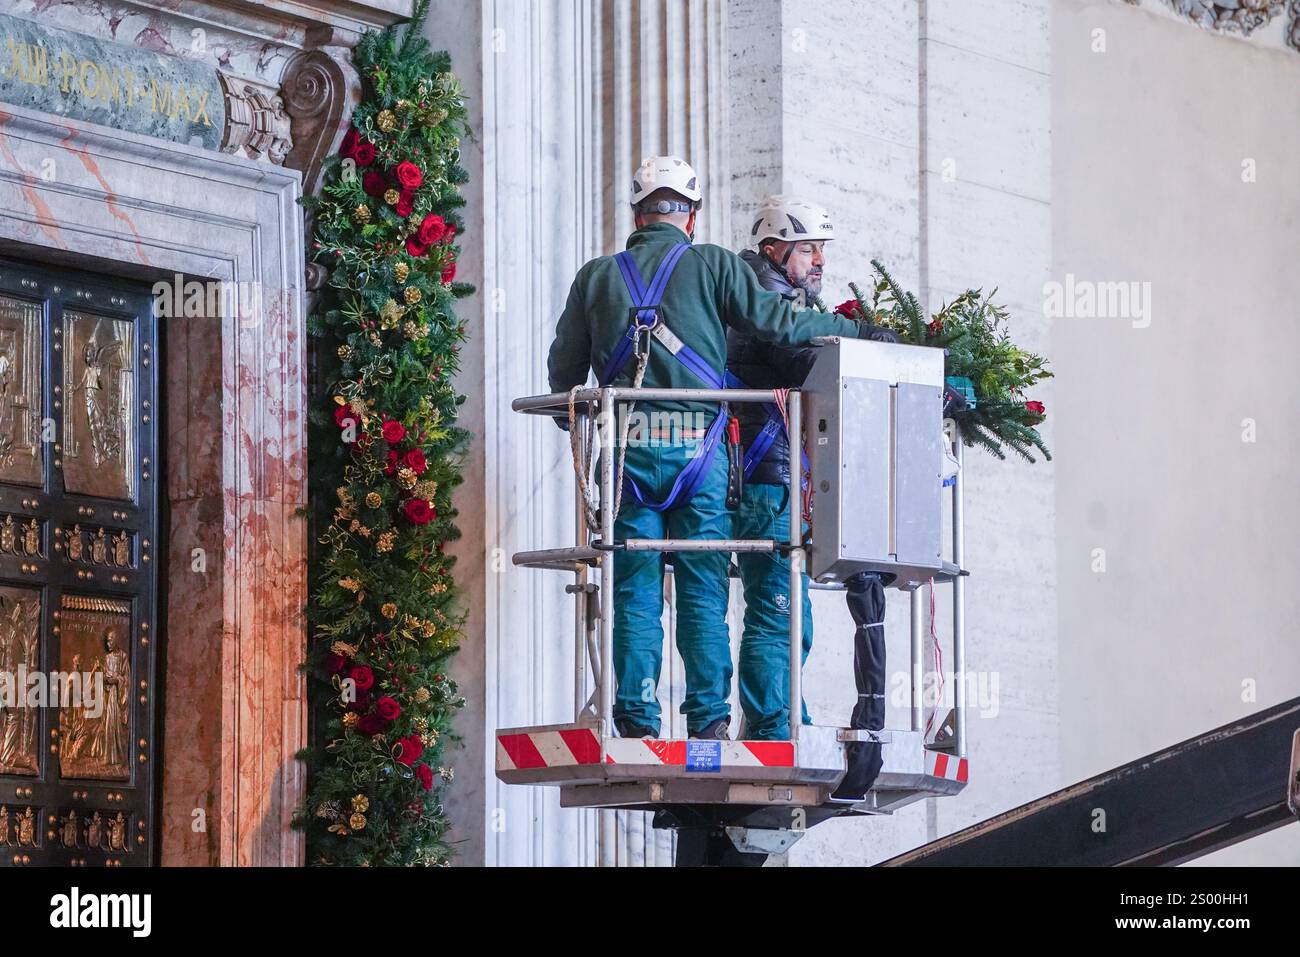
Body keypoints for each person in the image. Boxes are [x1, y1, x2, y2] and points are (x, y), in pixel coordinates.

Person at [547, 161, 885, 741]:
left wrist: (587, 422)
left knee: (633, 586)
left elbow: (562, 376)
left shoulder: (595, 277)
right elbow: (776, 322)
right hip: (698, 454)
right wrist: (855, 331)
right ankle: (707, 721)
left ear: (637, 216)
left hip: (624, 450)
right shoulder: (711, 264)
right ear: (692, 218)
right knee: (702, 586)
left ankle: (634, 718)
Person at [728, 196, 897, 740]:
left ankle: (779, 719)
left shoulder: (773, 293)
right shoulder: (764, 301)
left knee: (782, 607)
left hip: (766, 473)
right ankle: (773, 728)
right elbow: (802, 360)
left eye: (822, 248)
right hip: (762, 475)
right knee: (778, 607)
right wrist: (872, 347)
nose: (819, 259)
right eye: (808, 249)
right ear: (774, 250)